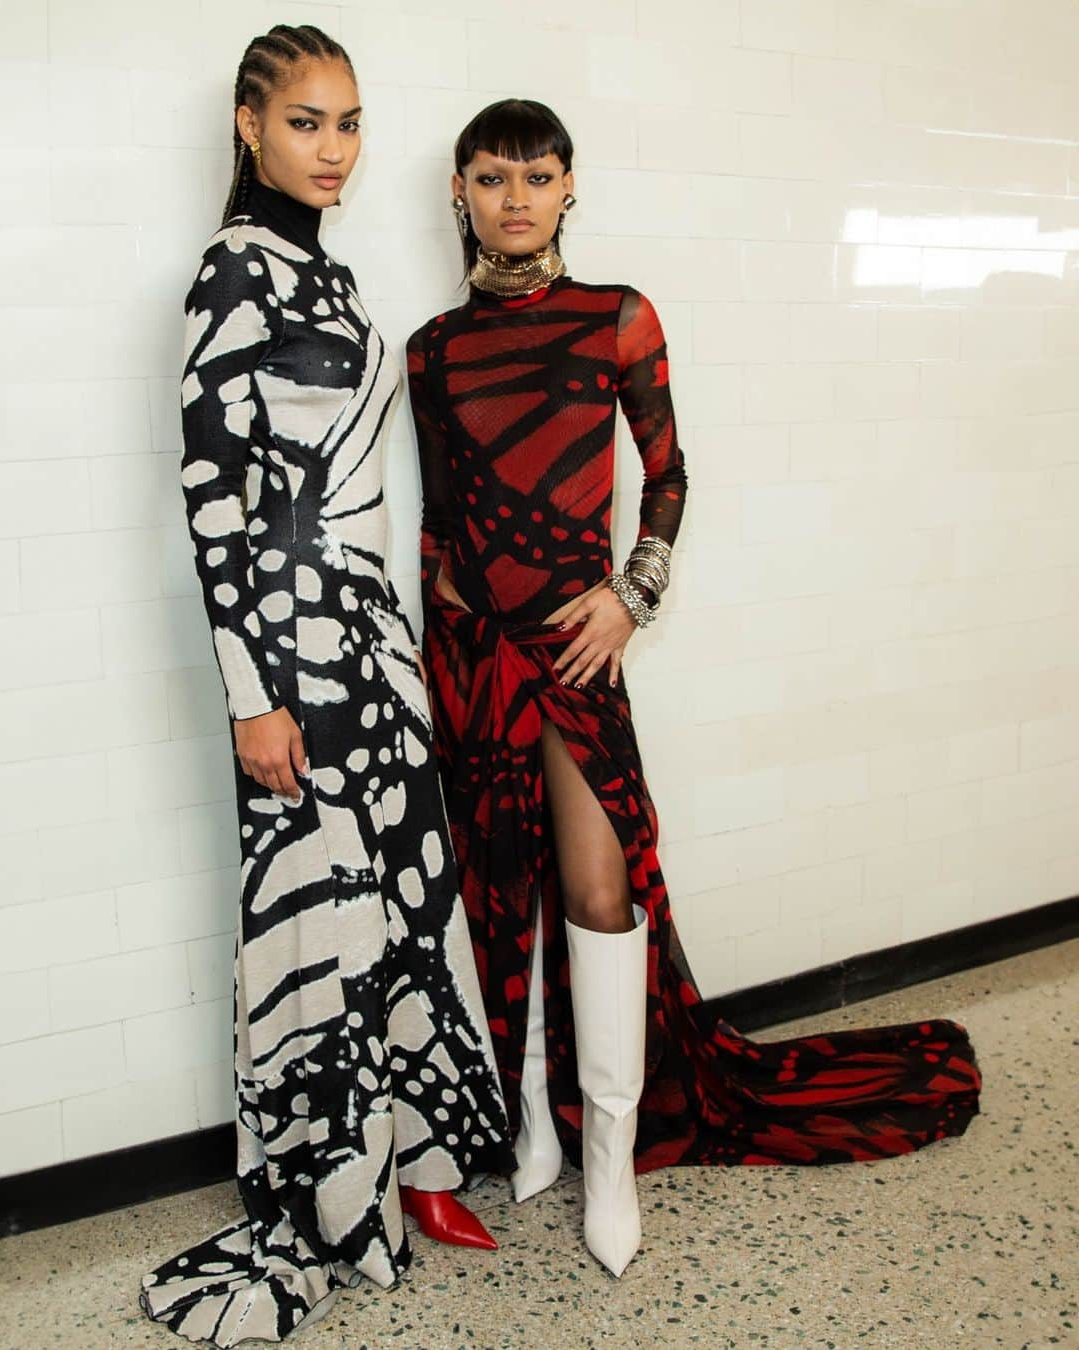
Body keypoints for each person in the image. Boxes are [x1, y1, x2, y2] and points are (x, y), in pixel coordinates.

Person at [406, 98, 982, 1280]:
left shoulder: (619, 318)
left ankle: (612, 1149)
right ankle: (532, 1124)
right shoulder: (429, 349)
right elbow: (438, 515)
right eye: (490, 177)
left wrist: (631, 597)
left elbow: (668, 471)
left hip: (573, 648)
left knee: (596, 883)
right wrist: (443, 607)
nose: (514, 198)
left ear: (571, 189)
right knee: (495, 887)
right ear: (458, 193)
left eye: (538, 175)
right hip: (473, 658)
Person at [141, 27, 514, 1347]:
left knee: (409, 899)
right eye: (306, 122)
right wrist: (251, 694)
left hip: (374, 646)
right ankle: (334, 1191)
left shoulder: (333, 275)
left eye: (349, 121)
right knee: (321, 917)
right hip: (289, 658)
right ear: (250, 126)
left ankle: (415, 1159)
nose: (334, 147)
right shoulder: (228, 277)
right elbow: (216, 508)